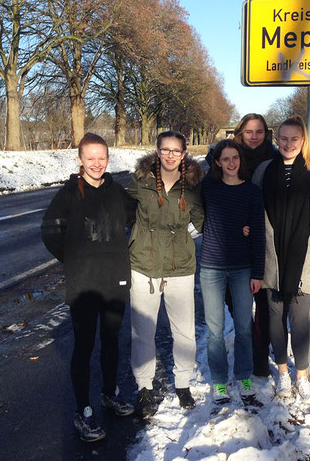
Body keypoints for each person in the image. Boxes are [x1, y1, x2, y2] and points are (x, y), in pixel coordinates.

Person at [41, 133, 137, 442]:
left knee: (111, 341)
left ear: (108, 159)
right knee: (83, 347)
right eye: (90, 158)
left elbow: (136, 217)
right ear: (81, 160)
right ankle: (83, 410)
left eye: (102, 158)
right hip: (83, 284)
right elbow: (50, 231)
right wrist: (74, 259)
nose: (97, 163)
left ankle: (110, 393)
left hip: (114, 281)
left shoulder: (116, 192)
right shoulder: (69, 194)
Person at [252, 115, 310, 402]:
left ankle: (302, 375)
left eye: (294, 139)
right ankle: (283, 373)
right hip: (272, 257)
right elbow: (255, 209)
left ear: (303, 141)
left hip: (304, 256)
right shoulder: (263, 171)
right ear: (278, 140)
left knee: (300, 320)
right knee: (274, 317)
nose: (288, 144)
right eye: (283, 139)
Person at [127, 131, 204, 417]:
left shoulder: (194, 186)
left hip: (180, 265)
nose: (170, 155)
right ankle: (144, 388)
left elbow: (206, 221)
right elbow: (121, 212)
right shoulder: (141, 180)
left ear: (184, 154)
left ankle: (183, 383)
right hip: (143, 265)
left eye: (176, 151)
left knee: (184, 331)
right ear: (157, 151)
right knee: (142, 331)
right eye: (165, 150)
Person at [207, 113, 276, 378]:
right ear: (239, 134)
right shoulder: (228, 157)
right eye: (249, 131)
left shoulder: (275, 157)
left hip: (267, 240)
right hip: (233, 250)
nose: (255, 136)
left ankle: (259, 357)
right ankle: (248, 349)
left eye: (259, 131)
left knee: (265, 306)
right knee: (238, 307)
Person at [200, 139, 266, 406]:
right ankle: (218, 381)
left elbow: (258, 234)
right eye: (224, 159)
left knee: (243, 328)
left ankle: (244, 376)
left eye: (234, 158)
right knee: (215, 330)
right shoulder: (208, 188)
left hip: (242, 267)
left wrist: (258, 273)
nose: (230, 163)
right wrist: (210, 154)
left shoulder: (251, 192)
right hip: (211, 267)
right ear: (217, 162)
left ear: (241, 160)